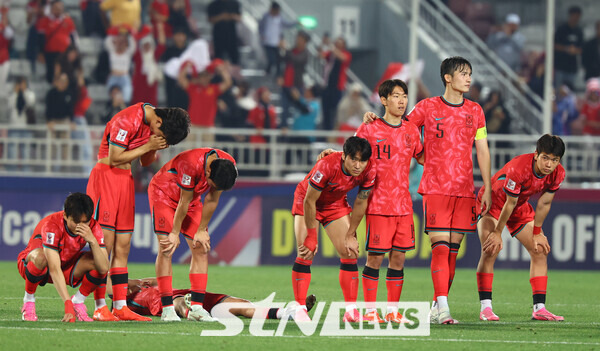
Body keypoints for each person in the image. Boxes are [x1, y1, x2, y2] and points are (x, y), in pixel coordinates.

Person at [365, 57, 491, 324]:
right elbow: (398, 126)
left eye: (470, 74)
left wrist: (487, 187)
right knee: (441, 248)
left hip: (465, 189)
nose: (468, 78)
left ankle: (437, 304)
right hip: (435, 187)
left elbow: (482, 149)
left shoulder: (476, 111)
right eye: (463, 74)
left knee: (453, 252)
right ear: (448, 77)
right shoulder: (427, 107)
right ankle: (444, 307)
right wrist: (375, 119)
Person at [86, 102, 190, 321]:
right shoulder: (127, 119)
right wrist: (147, 145)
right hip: (106, 176)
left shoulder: (152, 124)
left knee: (123, 245)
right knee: (106, 244)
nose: (158, 137)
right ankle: (99, 306)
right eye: (162, 136)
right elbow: (115, 158)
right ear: (159, 121)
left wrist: (154, 147)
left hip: (125, 180)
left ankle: (120, 306)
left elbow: (145, 161)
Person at [354, 80, 424, 323]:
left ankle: (393, 311)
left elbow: (423, 156)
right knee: (374, 258)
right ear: (384, 100)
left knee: (399, 258)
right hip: (378, 204)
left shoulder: (411, 130)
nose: (402, 101)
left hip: (404, 204)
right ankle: (370, 311)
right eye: (396, 96)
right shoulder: (370, 128)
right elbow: (353, 154)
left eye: (404, 96)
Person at [476, 134, 565, 322]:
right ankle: (486, 308)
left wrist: (537, 233)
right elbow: (509, 202)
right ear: (536, 155)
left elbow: (544, 203)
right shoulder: (519, 168)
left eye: (554, 160)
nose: (549, 164)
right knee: (490, 249)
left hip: (518, 205)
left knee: (539, 250)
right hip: (493, 202)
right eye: (545, 158)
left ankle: (539, 308)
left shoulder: (558, 174)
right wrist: (498, 233)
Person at [290, 136, 376, 322]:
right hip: (306, 200)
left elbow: (361, 202)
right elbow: (310, 200)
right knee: (306, 252)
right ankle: (299, 309)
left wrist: (351, 234)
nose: (358, 165)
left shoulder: (370, 170)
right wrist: (312, 236)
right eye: (354, 159)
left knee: (350, 252)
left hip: (334, 204)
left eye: (362, 161)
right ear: (344, 156)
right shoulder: (327, 165)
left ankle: (351, 311)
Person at [148, 148, 237, 321]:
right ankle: (167, 309)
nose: (212, 188)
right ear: (208, 171)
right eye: (212, 184)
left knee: (201, 248)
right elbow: (183, 201)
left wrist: (202, 230)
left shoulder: (227, 165)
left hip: (191, 199)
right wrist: (174, 232)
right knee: (167, 247)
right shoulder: (190, 163)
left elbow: (211, 199)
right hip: (164, 195)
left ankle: (197, 307)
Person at [17, 193, 109, 322]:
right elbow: (54, 268)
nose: (81, 226)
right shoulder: (52, 224)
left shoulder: (93, 226)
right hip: (36, 266)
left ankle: (78, 301)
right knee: (41, 258)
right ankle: (28, 301)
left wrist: (93, 241)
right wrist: (67, 305)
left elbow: (104, 267)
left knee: (97, 261)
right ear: (65, 216)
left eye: (85, 222)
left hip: (65, 265)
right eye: (76, 222)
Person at [123, 278, 316, 320]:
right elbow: (170, 301)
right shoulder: (140, 297)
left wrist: (142, 280)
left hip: (202, 298)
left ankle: (287, 313)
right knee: (178, 301)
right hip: (188, 299)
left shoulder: (143, 285)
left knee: (243, 306)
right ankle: (190, 312)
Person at [36, 0, 77, 84]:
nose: (58, 10)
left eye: (60, 8)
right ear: (51, 9)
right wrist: (41, 52)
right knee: (51, 72)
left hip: (64, 52)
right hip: (50, 52)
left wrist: (73, 50)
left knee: (65, 73)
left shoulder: (68, 20)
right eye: (56, 8)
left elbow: (73, 36)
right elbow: (40, 38)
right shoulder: (44, 21)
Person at [320, 35, 351, 131]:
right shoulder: (331, 54)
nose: (337, 46)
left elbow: (343, 58)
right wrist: (323, 44)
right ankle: (326, 130)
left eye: (339, 44)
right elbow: (322, 55)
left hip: (337, 87)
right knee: (326, 110)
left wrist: (332, 47)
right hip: (327, 86)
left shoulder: (346, 54)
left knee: (335, 111)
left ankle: (334, 131)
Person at [259, 1, 296, 76]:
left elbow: (287, 24)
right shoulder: (266, 16)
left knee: (278, 59)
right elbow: (260, 27)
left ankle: (276, 74)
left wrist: (296, 23)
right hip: (267, 42)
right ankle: (269, 71)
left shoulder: (280, 18)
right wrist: (262, 35)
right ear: (272, 9)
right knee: (271, 58)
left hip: (276, 42)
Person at [553, 6, 583, 88]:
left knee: (570, 91)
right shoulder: (561, 29)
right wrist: (566, 49)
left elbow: (581, 48)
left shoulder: (579, 31)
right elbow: (554, 45)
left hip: (572, 67)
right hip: (561, 66)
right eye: (574, 16)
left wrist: (574, 50)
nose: (576, 18)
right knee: (558, 89)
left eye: (578, 16)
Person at [207, 0, 241, 65]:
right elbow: (210, 19)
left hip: (231, 36)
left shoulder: (235, 3)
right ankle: (218, 73)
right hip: (218, 36)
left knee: (234, 58)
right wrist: (222, 17)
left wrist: (231, 16)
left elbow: (239, 18)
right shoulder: (213, 4)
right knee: (218, 57)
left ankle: (235, 73)